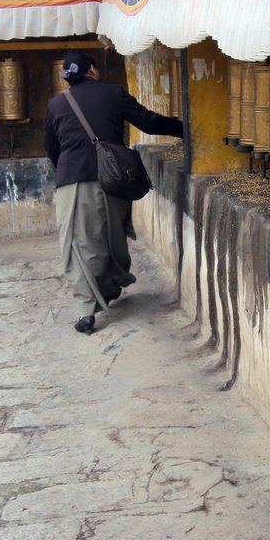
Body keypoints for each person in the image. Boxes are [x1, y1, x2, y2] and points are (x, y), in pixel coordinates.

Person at [44, 50, 183, 335]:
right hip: (113, 179)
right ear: (92, 70)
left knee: (79, 245)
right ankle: (109, 286)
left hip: (73, 181)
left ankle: (87, 310)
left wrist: (67, 171)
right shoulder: (112, 93)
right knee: (111, 235)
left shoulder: (56, 105)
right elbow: (148, 121)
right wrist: (184, 128)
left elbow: (51, 147)